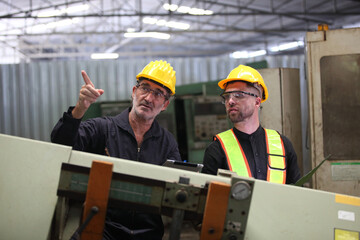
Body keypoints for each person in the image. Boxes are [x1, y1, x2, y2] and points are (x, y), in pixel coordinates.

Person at [51, 60, 181, 239]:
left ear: (165, 104)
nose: (149, 98)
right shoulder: (102, 129)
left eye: (158, 93)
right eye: (145, 88)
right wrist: (80, 108)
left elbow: (178, 189)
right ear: (134, 92)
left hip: (148, 234)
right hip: (100, 229)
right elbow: (60, 143)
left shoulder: (167, 143)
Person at [202, 65, 301, 184]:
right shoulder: (217, 149)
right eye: (227, 96)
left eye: (238, 95)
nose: (230, 101)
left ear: (257, 101)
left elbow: (296, 193)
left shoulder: (282, 145)